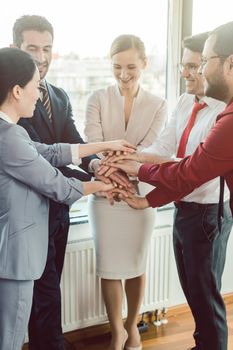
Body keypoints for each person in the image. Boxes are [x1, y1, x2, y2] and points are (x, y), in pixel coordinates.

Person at [107, 21, 233, 350]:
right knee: (196, 295)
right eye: (187, 65)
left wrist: (138, 171)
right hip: (183, 207)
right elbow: (165, 154)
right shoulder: (183, 103)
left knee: (206, 299)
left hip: (209, 216)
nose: (191, 73)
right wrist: (126, 157)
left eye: (199, 64)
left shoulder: (225, 115)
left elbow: (189, 170)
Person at [0, 47, 135, 350]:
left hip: (17, 254)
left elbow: (50, 151)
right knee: (8, 339)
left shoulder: (12, 133)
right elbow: (56, 185)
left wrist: (104, 145)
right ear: (17, 90)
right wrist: (105, 185)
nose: (38, 93)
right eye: (35, 86)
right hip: (15, 257)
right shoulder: (7, 137)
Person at [84, 34, 167, 350]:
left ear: (145, 64)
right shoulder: (97, 98)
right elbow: (94, 143)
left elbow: (150, 150)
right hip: (105, 195)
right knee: (110, 265)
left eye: (131, 66)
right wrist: (113, 165)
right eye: (117, 66)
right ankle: (116, 329)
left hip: (141, 196)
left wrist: (116, 160)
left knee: (136, 264)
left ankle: (132, 327)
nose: (123, 74)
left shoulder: (158, 105)